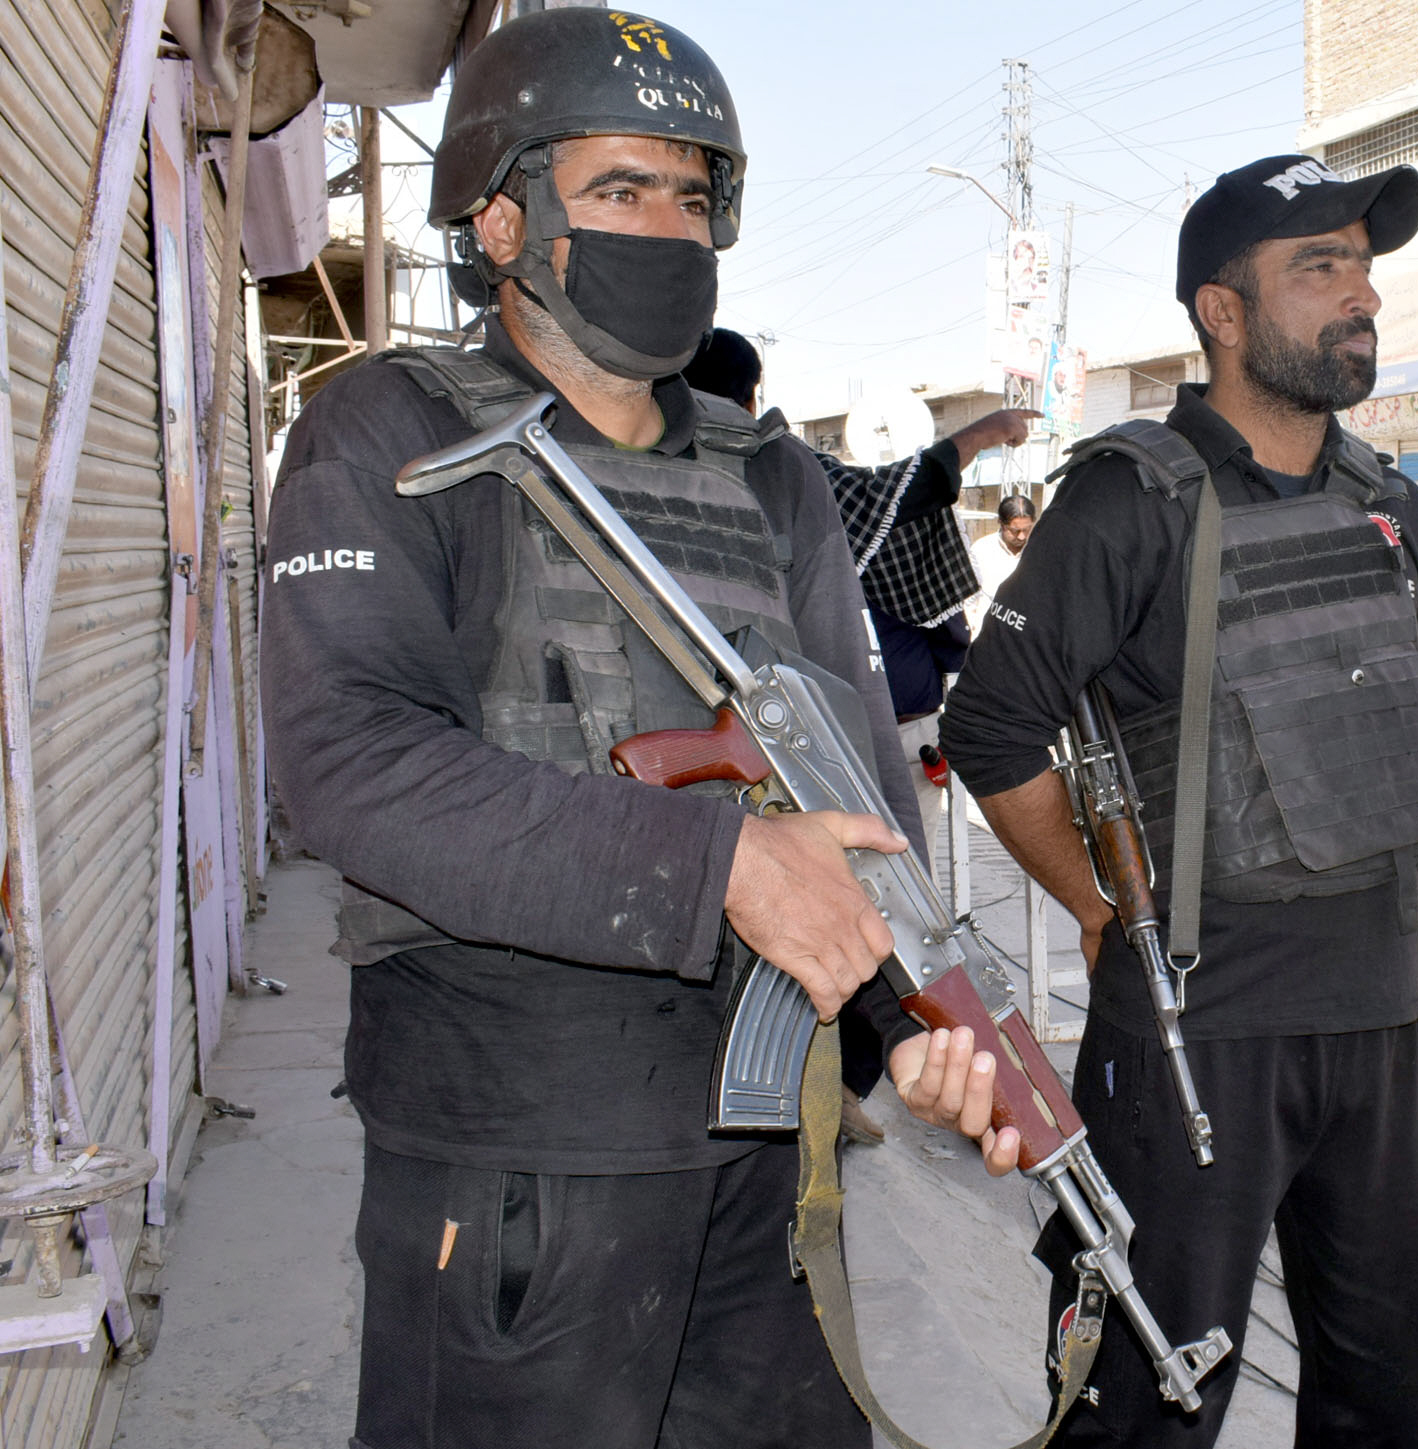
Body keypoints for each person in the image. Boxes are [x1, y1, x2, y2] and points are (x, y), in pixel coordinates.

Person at [258, 13, 1011, 1448]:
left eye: (693, 192)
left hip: (765, 1153)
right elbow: (350, 764)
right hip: (515, 1152)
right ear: (501, 217)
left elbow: (855, 782)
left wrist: (909, 1011)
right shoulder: (382, 434)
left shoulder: (770, 473)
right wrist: (722, 863)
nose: (667, 227)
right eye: (618, 190)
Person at [940, 153, 1418, 1447]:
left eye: (1361, 265)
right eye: (1319, 268)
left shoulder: (1392, 506)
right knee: (1148, 1398)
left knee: (1388, 1390)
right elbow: (992, 725)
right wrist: (1098, 905)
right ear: (1221, 312)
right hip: (1198, 1024)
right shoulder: (1133, 499)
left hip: (1383, 1012)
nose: (1361, 298)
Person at [684, 327, 1033, 1144]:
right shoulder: (769, 476)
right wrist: (981, 434)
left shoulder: (782, 480)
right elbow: (894, 495)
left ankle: (832, 1088)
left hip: (814, 762)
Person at [965, 493, 1036, 635]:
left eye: (1026, 530)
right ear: (1002, 524)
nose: (1021, 536)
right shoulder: (981, 550)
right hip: (987, 638)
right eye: (1015, 531)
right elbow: (968, 601)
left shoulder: (1040, 552)